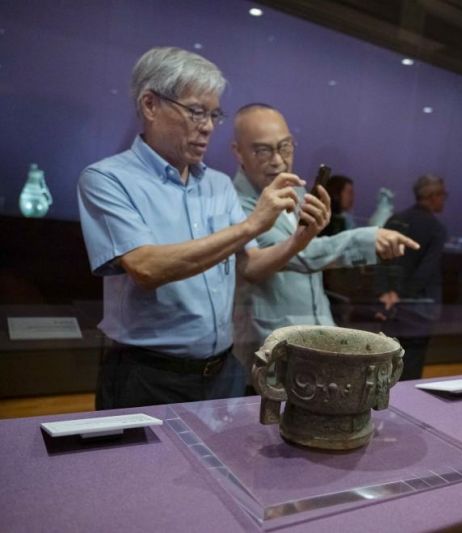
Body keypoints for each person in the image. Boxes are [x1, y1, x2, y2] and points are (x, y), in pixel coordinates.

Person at [77, 48, 330, 409]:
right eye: (196, 112)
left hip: (223, 371)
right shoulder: (107, 179)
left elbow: (248, 267)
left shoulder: (217, 185)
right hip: (150, 375)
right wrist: (252, 225)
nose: (208, 126)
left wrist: (299, 238)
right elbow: (146, 268)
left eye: (214, 114)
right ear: (150, 105)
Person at [230, 104, 418, 373]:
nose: (278, 160)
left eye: (285, 147)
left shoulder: (294, 191)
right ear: (238, 151)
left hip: (318, 335)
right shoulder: (234, 203)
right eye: (262, 150)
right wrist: (366, 240)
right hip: (270, 347)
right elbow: (298, 254)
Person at [376, 174, 448, 380]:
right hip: (419, 310)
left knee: (385, 363)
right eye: (442, 194)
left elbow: (382, 262)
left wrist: (386, 294)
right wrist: (401, 295)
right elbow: (426, 271)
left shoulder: (395, 220)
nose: (443, 199)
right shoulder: (436, 229)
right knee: (411, 368)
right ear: (432, 195)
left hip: (389, 307)